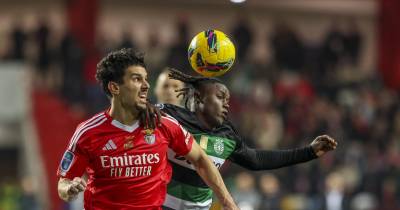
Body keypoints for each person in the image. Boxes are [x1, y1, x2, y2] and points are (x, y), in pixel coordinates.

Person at [56, 49, 238, 210]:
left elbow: (200, 159)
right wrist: (69, 189)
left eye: (146, 79)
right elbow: (63, 181)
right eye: (136, 79)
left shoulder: (163, 124)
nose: (146, 85)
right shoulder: (88, 133)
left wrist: (228, 203)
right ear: (114, 87)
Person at [157, 68, 338, 210]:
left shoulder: (226, 134)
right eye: (220, 97)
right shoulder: (170, 117)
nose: (226, 104)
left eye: (228, 99)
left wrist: (309, 152)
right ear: (199, 97)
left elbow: (257, 159)